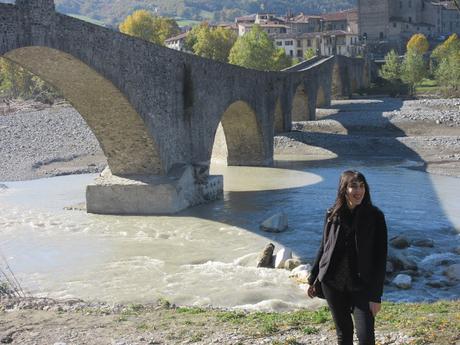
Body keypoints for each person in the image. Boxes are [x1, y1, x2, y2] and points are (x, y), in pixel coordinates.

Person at [307, 170, 388, 345]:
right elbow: (324, 247)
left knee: (366, 337)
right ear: (344, 189)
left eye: (361, 186)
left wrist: (376, 296)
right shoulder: (332, 214)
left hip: (362, 286)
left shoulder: (375, 217)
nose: (358, 191)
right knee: (344, 335)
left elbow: (381, 259)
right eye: (353, 186)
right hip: (333, 283)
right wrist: (313, 278)